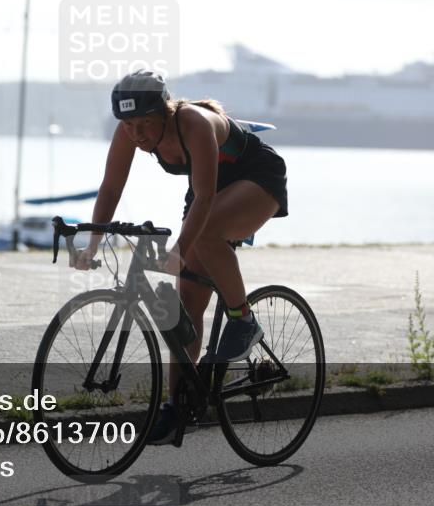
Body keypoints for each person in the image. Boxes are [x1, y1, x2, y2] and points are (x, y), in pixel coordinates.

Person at [74, 70, 289, 444]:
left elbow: (204, 201)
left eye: (145, 124)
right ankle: (178, 406)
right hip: (210, 189)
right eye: (128, 125)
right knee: (184, 310)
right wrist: (92, 243)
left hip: (256, 178)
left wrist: (177, 252)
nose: (137, 134)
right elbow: (110, 188)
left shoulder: (193, 122)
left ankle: (243, 319)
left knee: (203, 234)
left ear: (165, 112)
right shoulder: (129, 134)